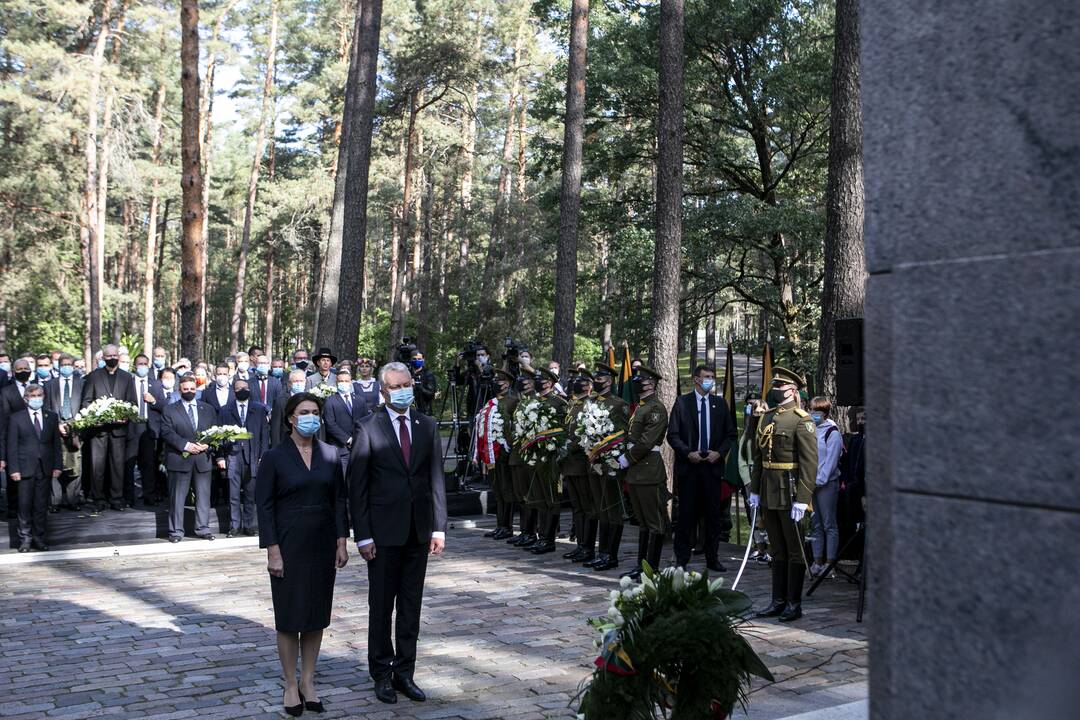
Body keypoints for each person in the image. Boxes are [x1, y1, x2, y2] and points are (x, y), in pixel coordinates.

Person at [348, 362, 447, 705]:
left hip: (418, 531)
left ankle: (406, 672)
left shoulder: (426, 425)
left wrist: (438, 527)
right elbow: (357, 486)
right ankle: (382, 672)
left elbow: (435, 478)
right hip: (382, 533)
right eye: (397, 386)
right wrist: (362, 535)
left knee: (411, 607)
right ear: (384, 391)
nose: (405, 389)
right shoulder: (368, 427)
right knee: (381, 606)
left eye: (408, 383)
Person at [256, 392, 349, 715]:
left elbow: (339, 499)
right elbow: (264, 507)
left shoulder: (330, 453)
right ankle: (290, 684)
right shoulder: (274, 457)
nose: (310, 416)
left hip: (322, 544)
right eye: (304, 411)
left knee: (315, 616)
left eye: (315, 411)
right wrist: (272, 551)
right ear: (291, 418)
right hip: (288, 545)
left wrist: (341, 540)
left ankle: (308, 680)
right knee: (290, 617)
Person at [748, 366, 817, 623]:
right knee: (777, 548)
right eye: (774, 386)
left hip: (789, 490)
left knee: (795, 549)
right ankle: (777, 601)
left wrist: (803, 498)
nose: (775, 390)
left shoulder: (802, 420)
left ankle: (793, 603)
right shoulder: (767, 417)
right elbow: (758, 457)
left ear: (792, 390)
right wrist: (755, 490)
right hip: (768, 488)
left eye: (780, 386)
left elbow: (810, 464)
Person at [666, 364, 738, 573]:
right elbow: (673, 435)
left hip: (712, 468)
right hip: (690, 467)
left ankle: (712, 557)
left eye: (713, 377)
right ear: (696, 379)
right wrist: (688, 453)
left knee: (713, 516)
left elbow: (730, 434)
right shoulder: (682, 403)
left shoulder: (720, 404)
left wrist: (720, 452)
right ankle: (682, 558)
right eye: (707, 377)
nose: (710, 380)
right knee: (686, 515)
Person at [618, 366, 670, 581]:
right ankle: (642, 565)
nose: (638, 383)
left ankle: (652, 568)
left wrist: (627, 458)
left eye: (642, 380)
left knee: (653, 521)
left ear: (651, 383)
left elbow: (648, 441)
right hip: (637, 471)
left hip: (648, 470)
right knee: (641, 521)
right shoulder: (640, 407)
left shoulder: (656, 408)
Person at [159, 375, 224, 542]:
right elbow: (166, 432)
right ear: (179, 390)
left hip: (203, 459)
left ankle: (203, 529)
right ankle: (176, 532)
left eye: (192, 389)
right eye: (186, 389)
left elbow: (215, 431)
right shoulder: (169, 409)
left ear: (197, 390)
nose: (189, 392)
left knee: (203, 497)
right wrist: (186, 445)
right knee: (177, 498)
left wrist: (207, 444)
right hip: (179, 458)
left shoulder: (208, 409)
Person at [584, 361, 630, 572]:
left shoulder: (619, 404)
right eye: (596, 377)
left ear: (610, 381)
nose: (596, 380)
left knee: (612, 510)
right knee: (600, 508)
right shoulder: (590, 402)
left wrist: (611, 460)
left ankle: (611, 555)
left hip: (610, 464)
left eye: (600, 378)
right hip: (594, 462)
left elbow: (621, 436)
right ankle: (601, 552)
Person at [80, 344, 139, 511]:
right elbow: (86, 401)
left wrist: (126, 415)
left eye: (115, 355)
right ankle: (98, 499)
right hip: (99, 430)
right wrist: (94, 417)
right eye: (109, 356)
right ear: (103, 358)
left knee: (117, 466)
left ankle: (116, 499)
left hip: (119, 431)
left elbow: (132, 402)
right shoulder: (93, 377)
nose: (112, 358)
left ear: (119, 357)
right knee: (97, 467)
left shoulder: (127, 377)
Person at [5, 384, 62, 551]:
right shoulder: (16, 418)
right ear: (26, 399)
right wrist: (14, 469)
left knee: (41, 505)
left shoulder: (51, 416)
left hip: (44, 467)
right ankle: (25, 539)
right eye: (33, 396)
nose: (37, 398)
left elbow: (55, 444)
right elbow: (12, 446)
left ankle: (39, 538)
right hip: (24, 468)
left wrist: (57, 465)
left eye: (39, 395)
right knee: (24, 505)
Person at [525, 367, 568, 555]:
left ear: (550, 383)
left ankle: (549, 539)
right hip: (535, 456)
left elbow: (563, 430)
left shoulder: (559, 403)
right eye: (537, 379)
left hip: (551, 457)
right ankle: (541, 536)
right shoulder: (532, 402)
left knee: (552, 498)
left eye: (542, 379)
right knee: (540, 498)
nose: (539, 382)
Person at [219, 378, 270, 537]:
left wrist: (263, 456)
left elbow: (264, 435)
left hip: (253, 456)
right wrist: (220, 457)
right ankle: (234, 526)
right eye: (239, 387)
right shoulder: (225, 410)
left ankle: (249, 526)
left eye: (245, 387)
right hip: (233, 456)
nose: (242, 390)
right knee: (233, 494)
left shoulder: (259, 409)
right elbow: (219, 435)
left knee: (250, 493)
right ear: (234, 391)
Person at [561, 370, 596, 562]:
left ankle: (588, 547)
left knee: (586, 506)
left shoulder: (589, 406)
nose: (578, 385)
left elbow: (585, 434)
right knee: (577, 507)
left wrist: (568, 446)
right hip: (569, 464)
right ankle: (580, 545)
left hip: (581, 464)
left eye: (583, 383)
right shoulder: (573, 406)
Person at [807, 397, 843, 579]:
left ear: (826, 413)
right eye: (812, 411)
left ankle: (830, 563)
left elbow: (830, 462)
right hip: (811, 483)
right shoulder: (810, 429)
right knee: (816, 523)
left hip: (826, 484)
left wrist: (818, 481)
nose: (814, 415)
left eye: (818, 412)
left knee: (829, 523)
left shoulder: (833, 432)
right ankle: (817, 560)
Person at [125, 354, 166, 507]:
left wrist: (153, 400)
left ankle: (149, 496)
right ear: (134, 366)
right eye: (139, 364)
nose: (142, 366)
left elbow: (164, 405)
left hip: (149, 429)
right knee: (129, 465)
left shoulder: (155, 384)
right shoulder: (128, 382)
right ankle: (129, 498)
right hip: (132, 427)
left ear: (148, 366)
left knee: (149, 464)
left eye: (144, 364)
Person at [44, 354, 84, 511]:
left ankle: (73, 500)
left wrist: (77, 423)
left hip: (76, 429)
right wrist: (57, 424)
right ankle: (55, 501)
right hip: (56, 429)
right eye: (63, 364)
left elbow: (86, 404)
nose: (66, 367)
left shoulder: (82, 383)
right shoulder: (49, 385)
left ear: (73, 366)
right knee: (56, 464)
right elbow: (46, 407)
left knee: (76, 465)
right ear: (59, 366)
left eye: (69, 364)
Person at [482, 369, 517, 540]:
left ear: (508, 384)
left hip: (504, 453)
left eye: (501, 380)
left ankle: (507, 526)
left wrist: (507, 446)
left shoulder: (513, 401)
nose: (497, 383)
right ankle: (500, 525)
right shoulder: (491, 402)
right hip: (491, 454)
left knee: (506, 489)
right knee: (497, 489)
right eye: (496, 380)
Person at [507, 369, 540, 547]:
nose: (523, 384)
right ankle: (524, 531)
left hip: (529, 456)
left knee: (529, 496)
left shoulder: (535, 402)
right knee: (520, 495)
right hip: (516, 454)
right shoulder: (518, 402)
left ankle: (531, 532)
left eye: (526, 381)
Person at [738, 397, 770, 563]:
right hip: (751, 477)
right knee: (755, 514)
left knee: (768, 514)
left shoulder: (769, 431)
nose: (759, 415)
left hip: (767, 478)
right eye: (756, 412)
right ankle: (759, 547)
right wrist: (747, 482)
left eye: (762, 412)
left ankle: (771, 547)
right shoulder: (747, 434)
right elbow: (741, 459)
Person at [323, 367, 369, 473]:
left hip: (359, 448)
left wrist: (358, 439)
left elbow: (366, 421)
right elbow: (330, 424)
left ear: (351, 382)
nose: (344, 383)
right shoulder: (330, 401)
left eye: (346, 381)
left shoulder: (360, 400)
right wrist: (348, 439)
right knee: (343, 481)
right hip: (341, 449)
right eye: (341, 381)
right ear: (336, 382)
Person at [272, 370, 325, 446]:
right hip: (287, 443)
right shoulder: (281, 401)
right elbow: (275, 428)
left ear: (305, 382)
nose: (298, 384)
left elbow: (318, 426)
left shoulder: (313, 400)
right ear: (290, 384)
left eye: (301, 381)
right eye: (296, 381)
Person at [409, 350, 437, 415]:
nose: (417, 361)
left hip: (424, 411)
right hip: (408, 410)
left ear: (423, 359)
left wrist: (417, 386)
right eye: (414, 359)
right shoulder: (406, 373)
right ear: (410, 359)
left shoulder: (428, 374)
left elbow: (431, 394)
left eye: (419, 359)